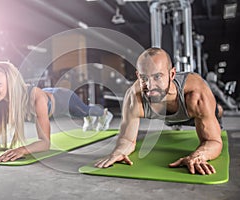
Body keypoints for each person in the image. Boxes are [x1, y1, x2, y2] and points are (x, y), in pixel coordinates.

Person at [95, 47, 223, 175]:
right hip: (169, 117)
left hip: (193, 113)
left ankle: (218, 110)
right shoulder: (134, 97)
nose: (150, 86)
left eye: (157, 77)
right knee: (169, 122)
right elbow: (127, 140)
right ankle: (172, 120)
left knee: (216, 112)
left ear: (172, 74)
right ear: (138, 76)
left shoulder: (196, 95)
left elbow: (212, 141)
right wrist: (119, 151)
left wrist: (198, 156)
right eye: (144, 78)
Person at [0, 61, 113, 162]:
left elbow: (45, 143)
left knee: (85, 111)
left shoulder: (34, 97)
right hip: (47, 93)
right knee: (84, 114)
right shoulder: (1, 103)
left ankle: (103, 113)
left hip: (64, 99)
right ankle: (91, 119)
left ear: (11, 83)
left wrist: (21, 149)